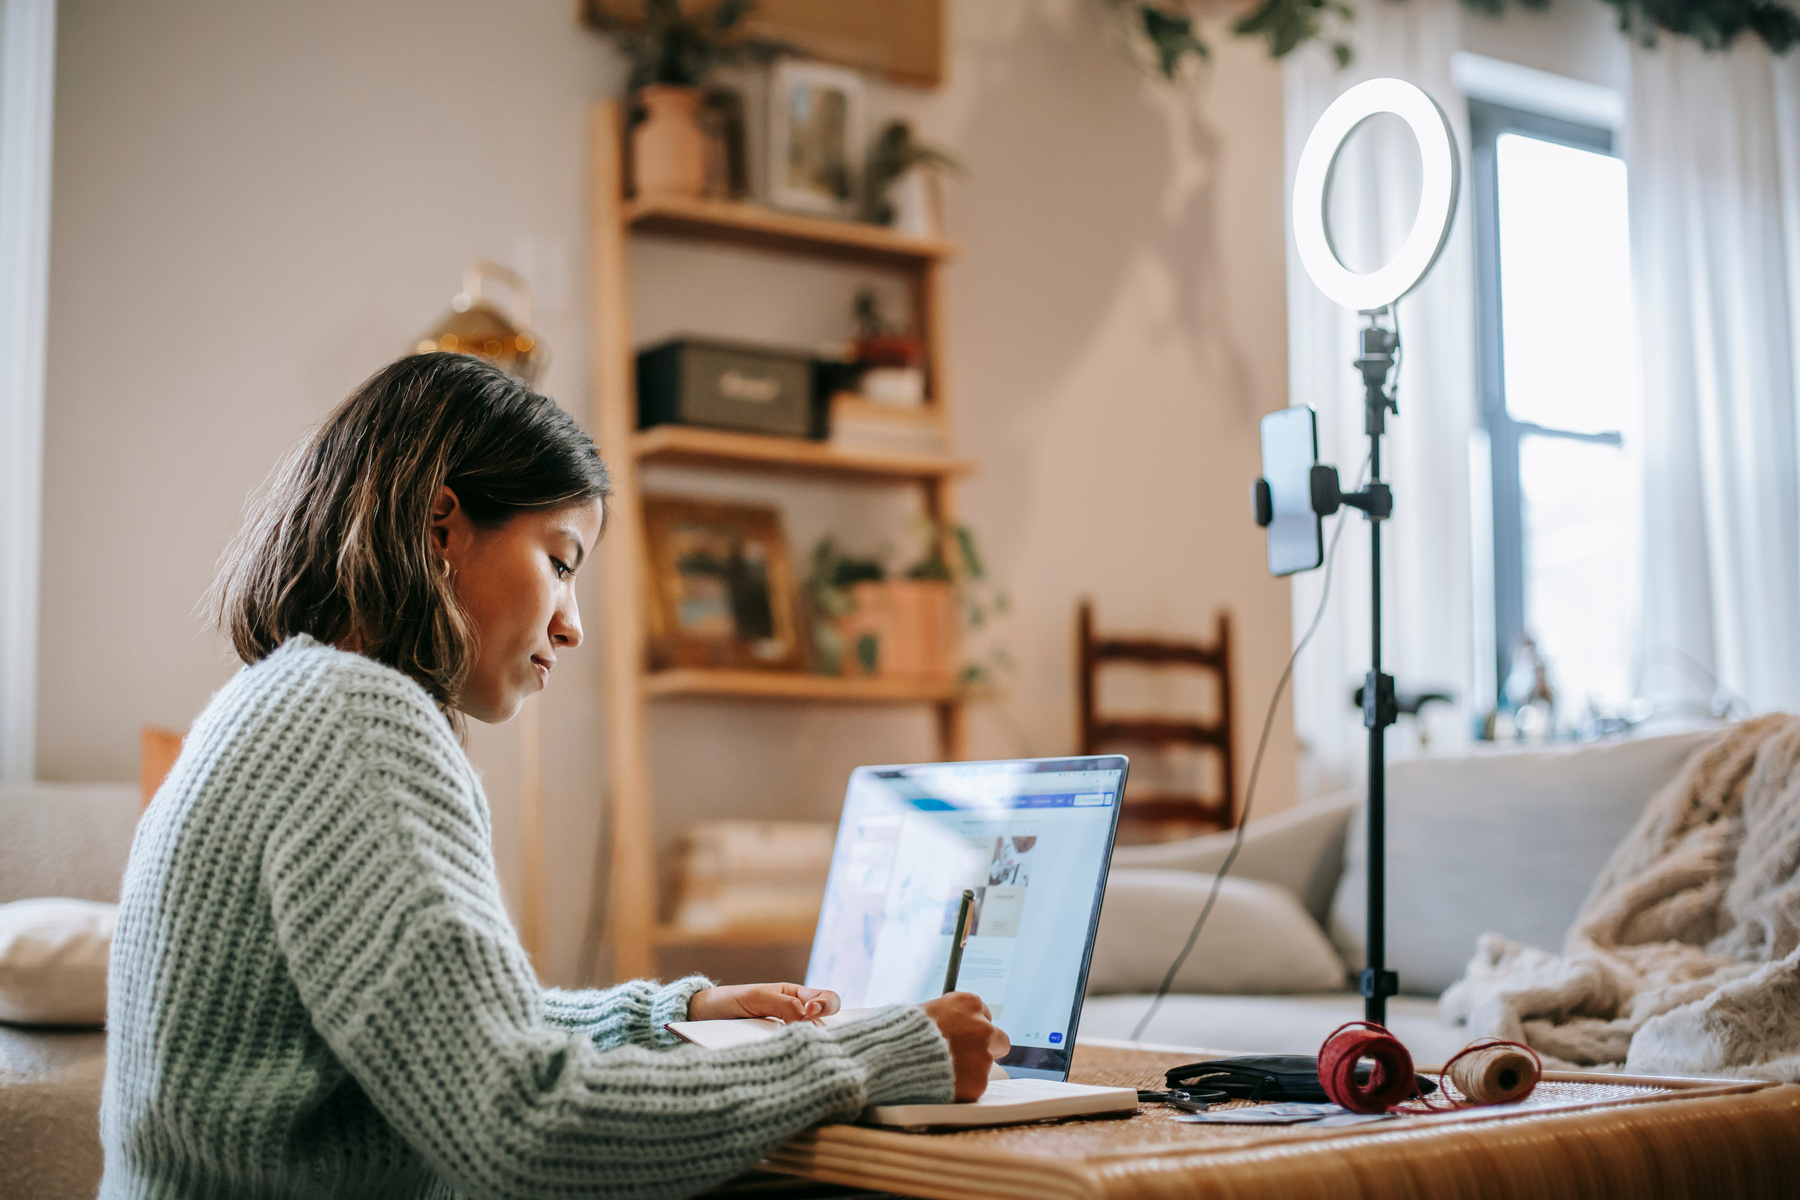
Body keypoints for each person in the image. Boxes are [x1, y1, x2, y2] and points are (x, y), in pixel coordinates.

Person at [100, 353, 1007, 1200]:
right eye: (560, 563)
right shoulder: (358, 723)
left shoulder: (277, 702)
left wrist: (675, 1013)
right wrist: (880, 1051)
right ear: (439, 525)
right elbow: (521, 1125)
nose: (571, 624)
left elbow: (437, 1036)